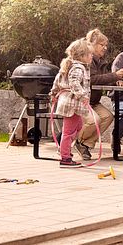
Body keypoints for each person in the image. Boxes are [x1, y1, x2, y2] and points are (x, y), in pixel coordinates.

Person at [74, 29, 123, 160]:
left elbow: (103, 78)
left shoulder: (100, 61)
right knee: (95, 119)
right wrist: (114, 75)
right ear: (91, 44)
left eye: (105, 45)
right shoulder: (86, 60)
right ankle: (77, 141)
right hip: (82, 100)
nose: (105, 47)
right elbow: (93, 80)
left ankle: (85, 144)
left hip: (94, 101)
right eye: (101, 44)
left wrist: (116, 81)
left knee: (108, 116)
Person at [49, 38, 93, 168]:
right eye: (90, 54)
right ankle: (65, 158)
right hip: (72, 104)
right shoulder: (78, 68)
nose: (92, 56)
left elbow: (57, 81)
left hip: (69, 103)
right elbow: (74, 83)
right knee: (68, 132)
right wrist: (83, 95)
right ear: (82, 55)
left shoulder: (69, 65)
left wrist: (53, 93)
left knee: (78, 127)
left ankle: (65, 149)